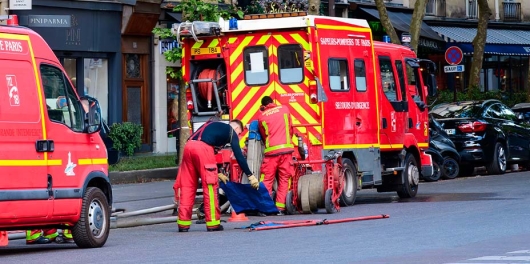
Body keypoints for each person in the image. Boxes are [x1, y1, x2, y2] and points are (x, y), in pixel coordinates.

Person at [173, 119, 259, 232]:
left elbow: (205, 155)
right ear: (237, 128)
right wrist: (250, 175)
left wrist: (217, 172)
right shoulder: (231, 132)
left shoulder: (212, 126)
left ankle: (183, 224)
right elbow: (239, 156)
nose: (237, 136)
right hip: (203, 149)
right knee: (210, 187)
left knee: (187, 186)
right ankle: (213, 223)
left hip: (188, 147)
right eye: (239, 134)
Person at [257, 96, 295, 215]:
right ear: (273, 102)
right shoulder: (284, 109)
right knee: (284, 179)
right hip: (286, 151)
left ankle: (266, 208)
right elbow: (290, 129)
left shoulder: (262, 116)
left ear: (263, 106)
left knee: (266, 180)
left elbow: (264, 136)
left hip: (271, 153)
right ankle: (280, 208)